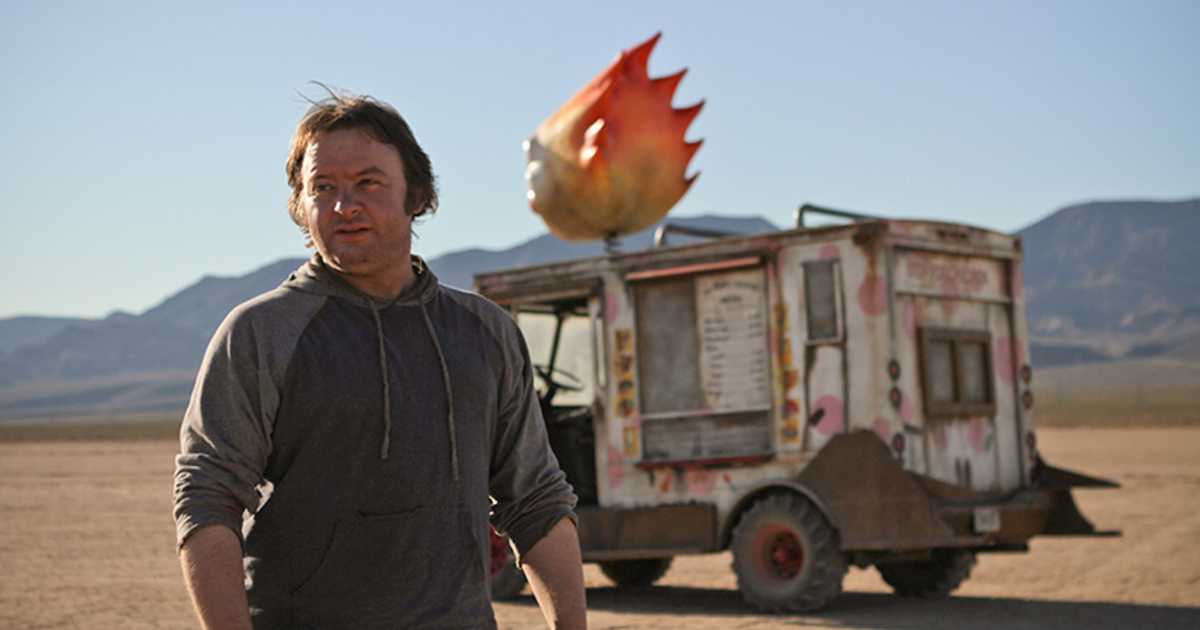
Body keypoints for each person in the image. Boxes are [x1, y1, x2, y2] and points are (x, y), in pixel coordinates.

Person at [173, 89, 587, 629]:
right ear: (301, 204)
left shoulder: (485, 333)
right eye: (322, 187)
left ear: (417, 194)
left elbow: (535, 500)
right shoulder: (262, 333)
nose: (344, 205)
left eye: (368, 182)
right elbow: (207, 496)